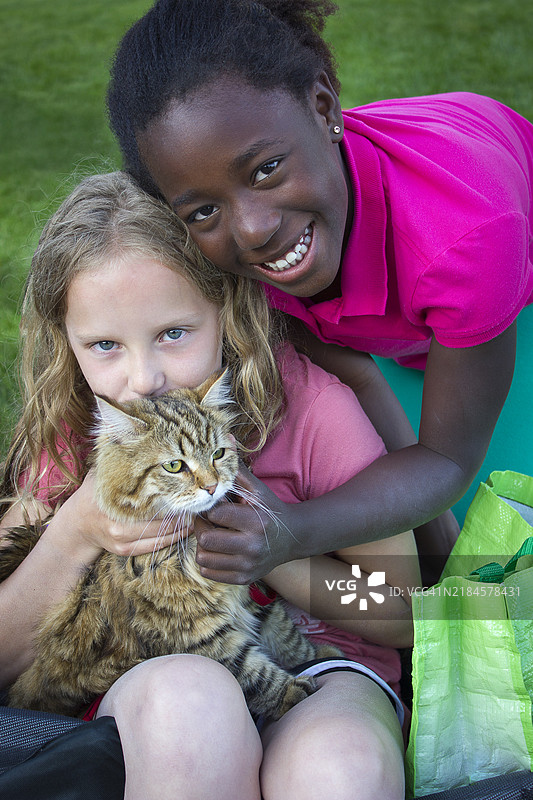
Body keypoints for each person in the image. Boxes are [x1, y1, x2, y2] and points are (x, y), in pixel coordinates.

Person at [0, 171, 420, 799]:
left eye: (173, 334)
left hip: (318, 666)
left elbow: (404, 611)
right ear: (68, 343)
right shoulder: (76, 437)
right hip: (144, 681)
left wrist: (278, 552)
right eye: (105, 345)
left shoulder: (312, 414)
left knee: (340, 768)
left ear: (226, 308)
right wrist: (74, 532)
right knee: (189, 707)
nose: (143, 380)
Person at [106, 0, 533, 587]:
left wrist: (292, 532)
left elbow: (446, 460)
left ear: (324, 108)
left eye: (265, 170)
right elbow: (359, 375)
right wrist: (435, 566)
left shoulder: (467, 243)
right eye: (205, 209)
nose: (253, 229)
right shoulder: (225, 267)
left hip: (494, 238)